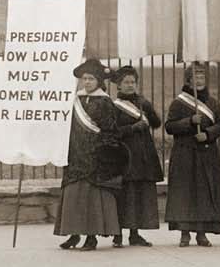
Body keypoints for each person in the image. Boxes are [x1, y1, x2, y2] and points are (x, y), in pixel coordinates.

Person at [55, 58, 125, 251]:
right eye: (84, 78)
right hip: (75, 156)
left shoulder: (105, 102)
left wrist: (101, 152)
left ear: (99, 81)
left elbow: (110, 131)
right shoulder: (75, 100)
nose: (87, 82)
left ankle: (91, 237)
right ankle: (73, 234)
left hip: (94, 158)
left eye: (91, 79)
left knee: (91, 199)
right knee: (73, 197)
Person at [164, 62, 220, 247]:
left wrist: (207, 134)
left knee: (203, 193)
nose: (199, 81)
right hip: (185, 153)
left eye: (202, 77)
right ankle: (185, 233)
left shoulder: (213, 102)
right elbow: (169, 126)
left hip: (206, 153)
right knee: (185, 193)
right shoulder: (178, 102)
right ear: (189, 81)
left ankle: (202, 233)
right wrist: (189, 122)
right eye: (195, 78)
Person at [108, 65, 162, 247]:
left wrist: (148, 109)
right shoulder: (114, 106)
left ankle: (134, 233)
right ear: (119, 86)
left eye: (133, 82)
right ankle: (118, 235)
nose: (130, 85)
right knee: (123, 196)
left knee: (138, 195)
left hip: (143, 156)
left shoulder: (141, 103)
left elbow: (156, 123)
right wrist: (132, 128)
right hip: (124, 156)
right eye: (126, 82)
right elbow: (112, 132)